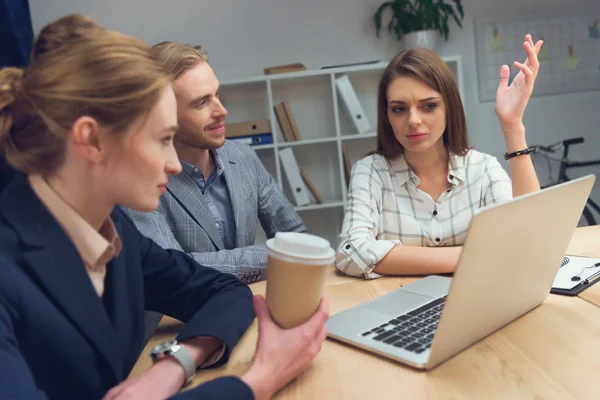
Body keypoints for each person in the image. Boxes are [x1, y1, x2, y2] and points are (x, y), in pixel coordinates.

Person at [0, 14, 327, 400]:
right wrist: (259, 380)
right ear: (92, 140)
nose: (174, 164)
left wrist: (176, 363)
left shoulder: (111, 228)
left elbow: (223, 290)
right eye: (162, 139)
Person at [336, 35, 542, 279]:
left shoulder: (483, 168)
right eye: (399, 109)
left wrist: (512, 125)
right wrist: (468, 257)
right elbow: (351, 252)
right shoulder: (370, 171)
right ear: (387, 115)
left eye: (429, 105)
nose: (413, 120)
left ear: (449, 107)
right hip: (405, 309)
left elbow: (530, 240)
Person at [125, 41, 305, 285]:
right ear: (162, 114)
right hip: (180, 321)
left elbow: (299, 239)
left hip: (253, 306)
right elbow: (174, 270)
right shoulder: (141, 180)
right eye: (201, 102)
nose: (222, 111)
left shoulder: (243, 158)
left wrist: (291, 254)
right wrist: (276, 255)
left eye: (217, 95)